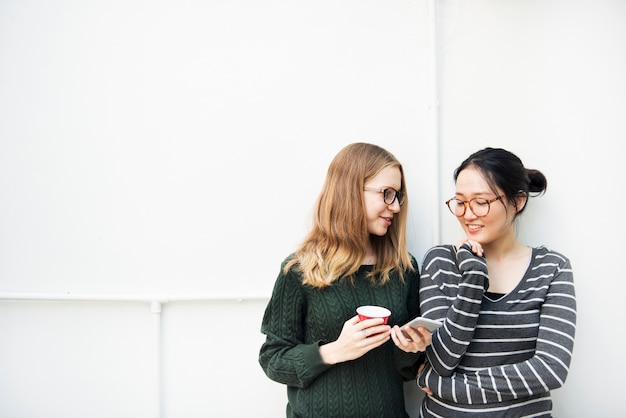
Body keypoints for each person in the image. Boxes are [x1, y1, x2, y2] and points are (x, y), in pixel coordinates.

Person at [258, 142, 432, 418]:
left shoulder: (403, 269)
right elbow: (272, 360)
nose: (396, 207)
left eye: (398, 196)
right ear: (350, 191)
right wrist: (334, 351)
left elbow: (405, 370)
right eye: (386, 194)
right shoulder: (300, 269)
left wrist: (414, 350)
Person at [414, 147, 577, 417]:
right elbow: (442, 360)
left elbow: (550, 370)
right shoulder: (440, 261)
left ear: (518, 201)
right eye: (460, 201)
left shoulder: (552, 269)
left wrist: (436, 383)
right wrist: (474, 277)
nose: (467, 214)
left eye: (481, 201)